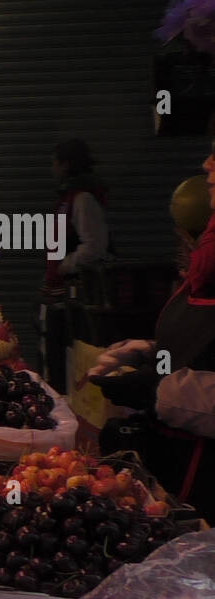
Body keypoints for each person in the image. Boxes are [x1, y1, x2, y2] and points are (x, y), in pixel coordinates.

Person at [89, 144, 215, 521]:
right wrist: (150, 353)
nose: (206, 164)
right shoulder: (207, 258)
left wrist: (161, 389)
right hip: (178, 482)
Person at [45, 139, 111, 296]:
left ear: (66, 165)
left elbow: (94, 247)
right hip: (61, 288)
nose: (53, 168)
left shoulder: (83, 199)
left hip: (77, 292)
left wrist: (64, 265)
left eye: (55, 162)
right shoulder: (68, 197)